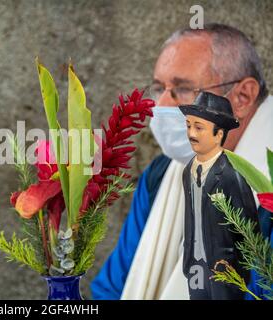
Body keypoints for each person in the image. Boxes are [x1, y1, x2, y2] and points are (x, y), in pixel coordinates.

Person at [91, 23, 272, 300]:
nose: (161, 106)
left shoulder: (266, 188)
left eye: (183, 89)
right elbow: (112, 288)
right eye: (158, 88)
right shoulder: (162, 173)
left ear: (242, 97)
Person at [180, 91, 259, 299]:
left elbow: (248, 226)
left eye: (199, 127)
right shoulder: (187, 171)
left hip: (224, 266)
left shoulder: (231, 174)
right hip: (195, 264)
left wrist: (239, 267)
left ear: (219, 134)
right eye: (188, 125)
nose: (191, 133)